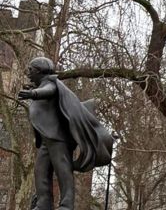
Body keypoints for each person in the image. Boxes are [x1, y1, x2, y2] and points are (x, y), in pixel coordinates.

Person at [18, 57, 113, 210]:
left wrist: (33, 94)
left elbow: (48, 91)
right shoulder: (41, 85)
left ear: (39, 71)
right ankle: (44, 203)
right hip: (45, 139)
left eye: (30, 70)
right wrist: (33, 92)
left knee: (63, 169)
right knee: (40, 171)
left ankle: (66, 205)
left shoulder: (51, 84)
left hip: (57, 139)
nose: (28, 73)